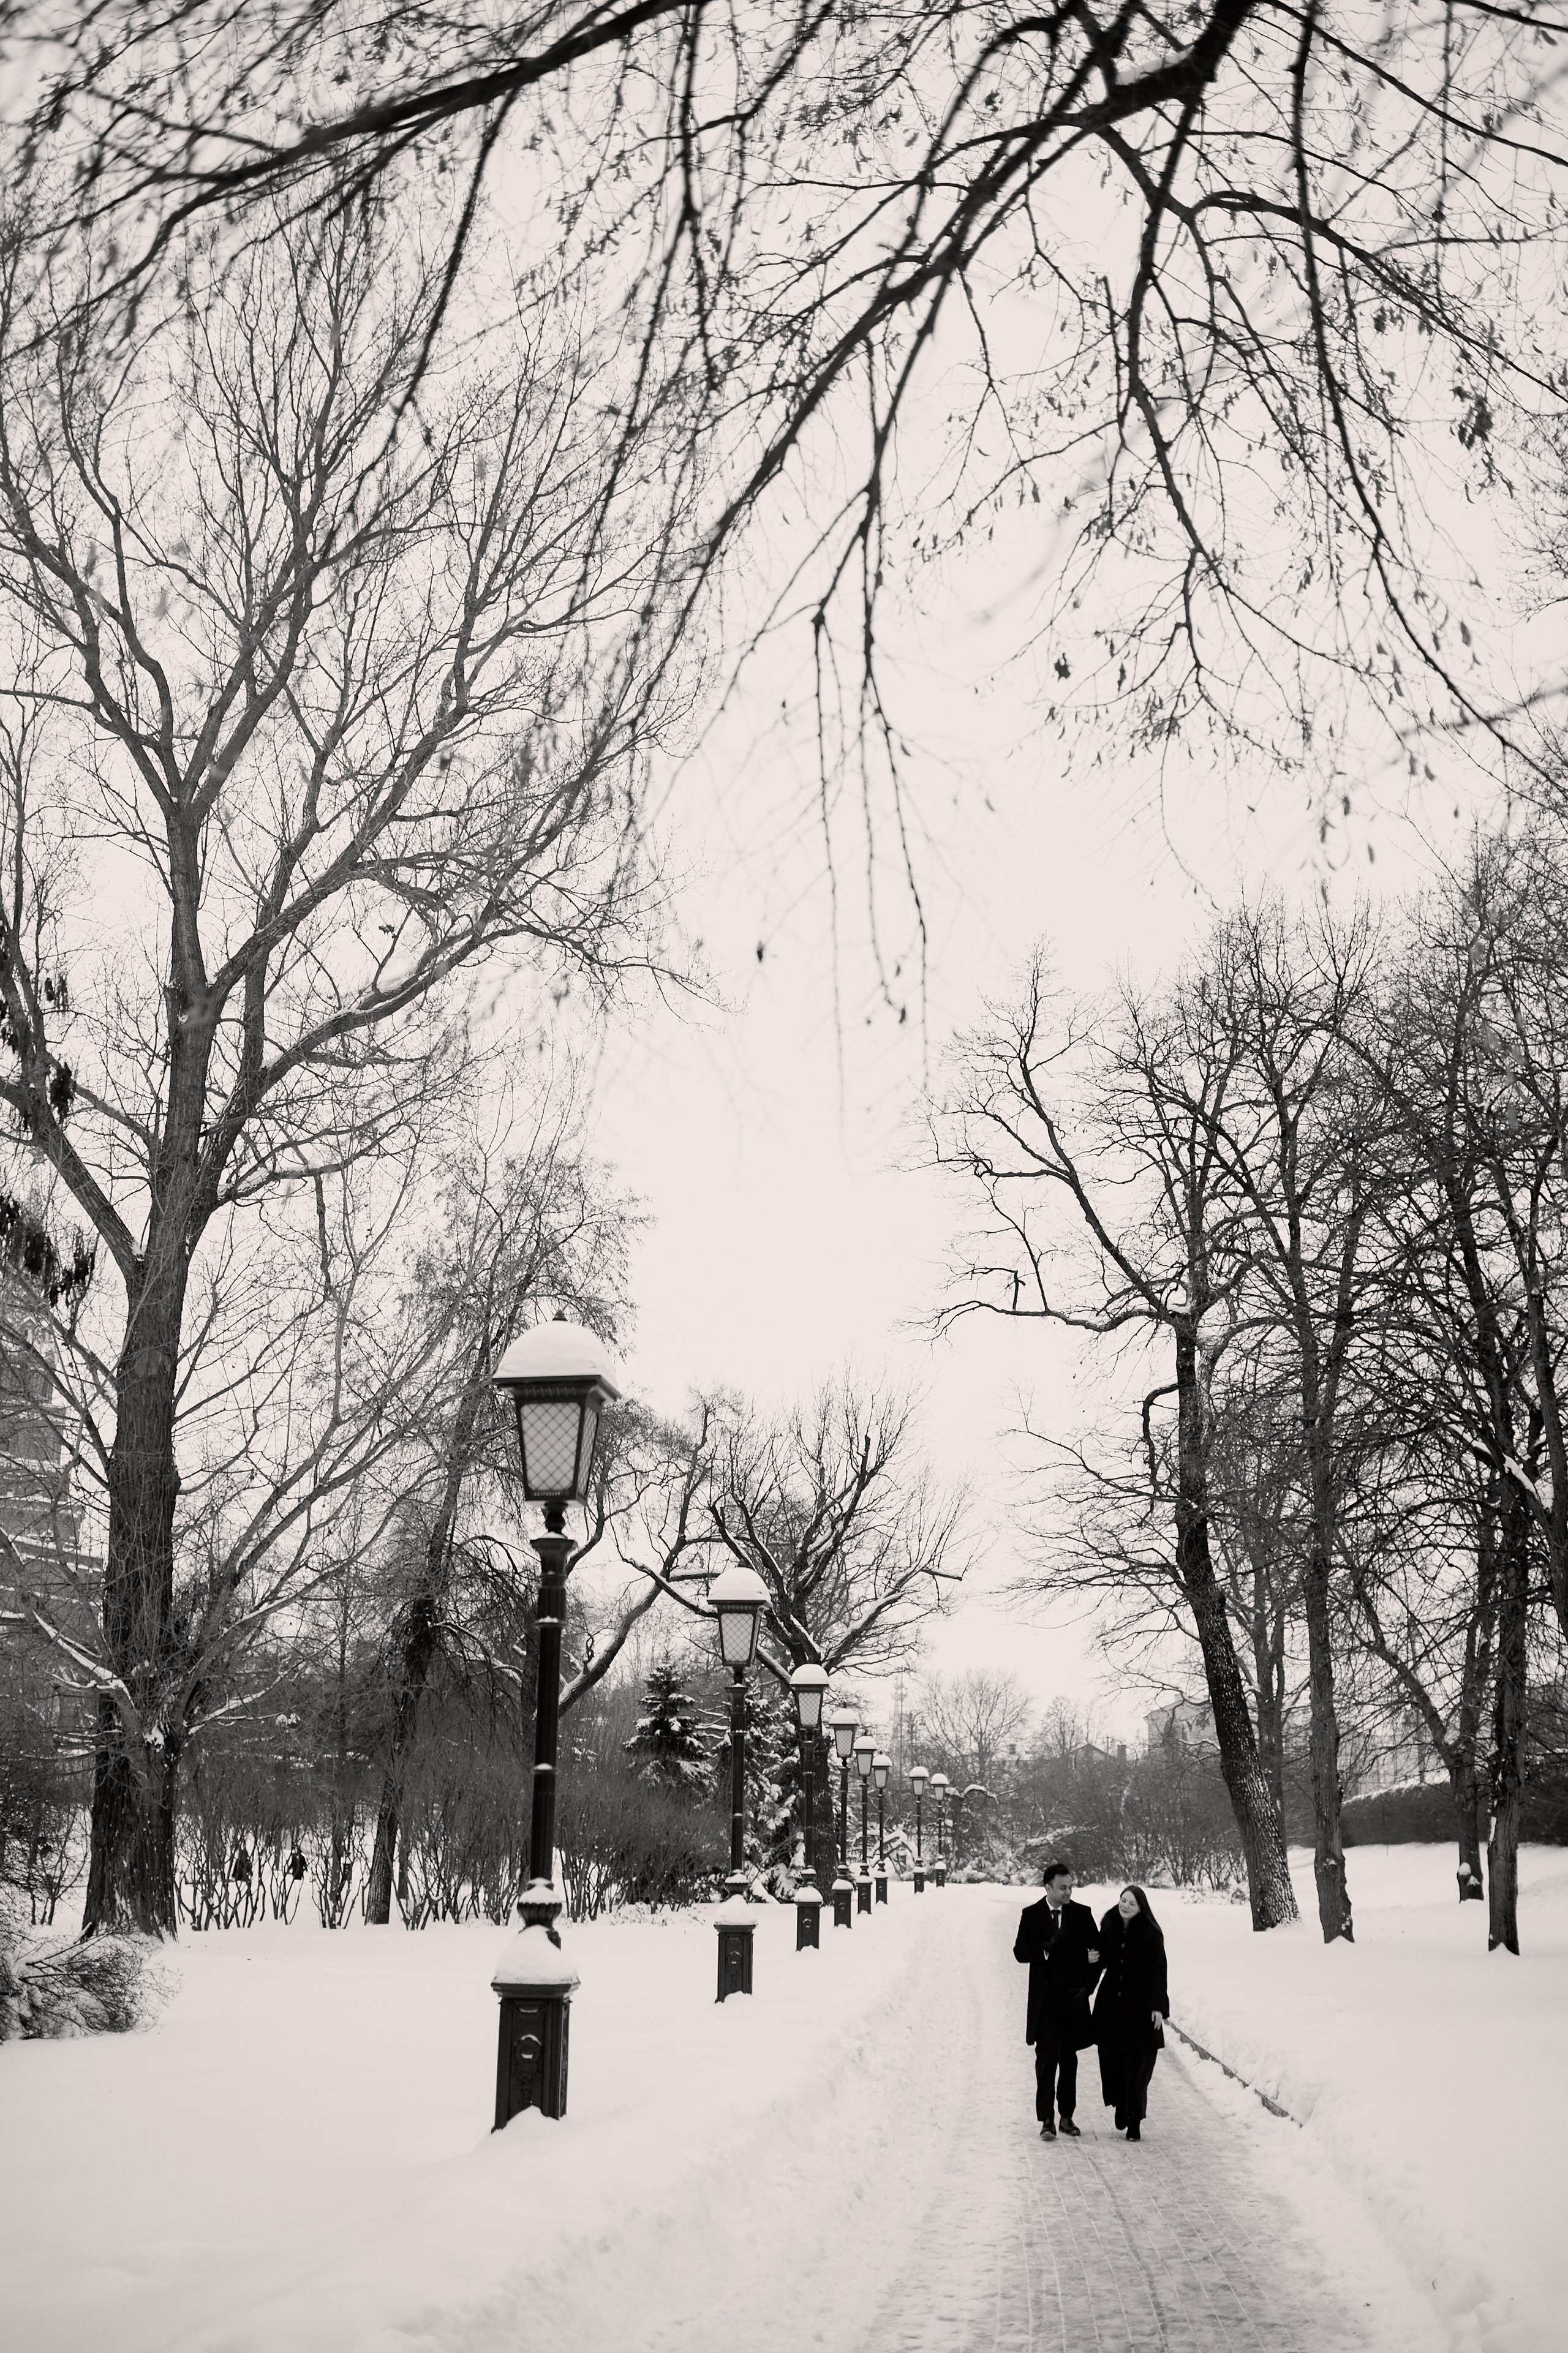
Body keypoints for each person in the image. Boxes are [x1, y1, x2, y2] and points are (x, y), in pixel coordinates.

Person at [1012, 1860, 1101, 2139]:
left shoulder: (1082, 1915)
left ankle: (1067, 2117)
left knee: (1069, 2061)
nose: (1068, 1893)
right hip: (1045, 2004)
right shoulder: (1032, 1915)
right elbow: (1019, 1952)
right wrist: (1045, 1950)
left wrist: (1088, 1987)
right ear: (1048, 1887)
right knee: (1046, 2061)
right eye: (1063, 1888)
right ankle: (1047, 2119)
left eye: (1071, 1887)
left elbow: (1099, 1955)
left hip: (1073, 2001)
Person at [1091, 1885, 1169, 2141]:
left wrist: (1158, 2007)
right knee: (1112, 2061)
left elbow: (1159, 1972)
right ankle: (1120, 2104)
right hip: (1111, 2006)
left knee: (1138, 2068)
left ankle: (1135, 2120)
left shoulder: (1151, 1933)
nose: (1125, 1906)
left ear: (1141, 1908)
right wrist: (1091, 1959)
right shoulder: (1110, 1924)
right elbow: (1102, 1959)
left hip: (1140, 2008)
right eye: (1123, 1900)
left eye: (1132, 1904)